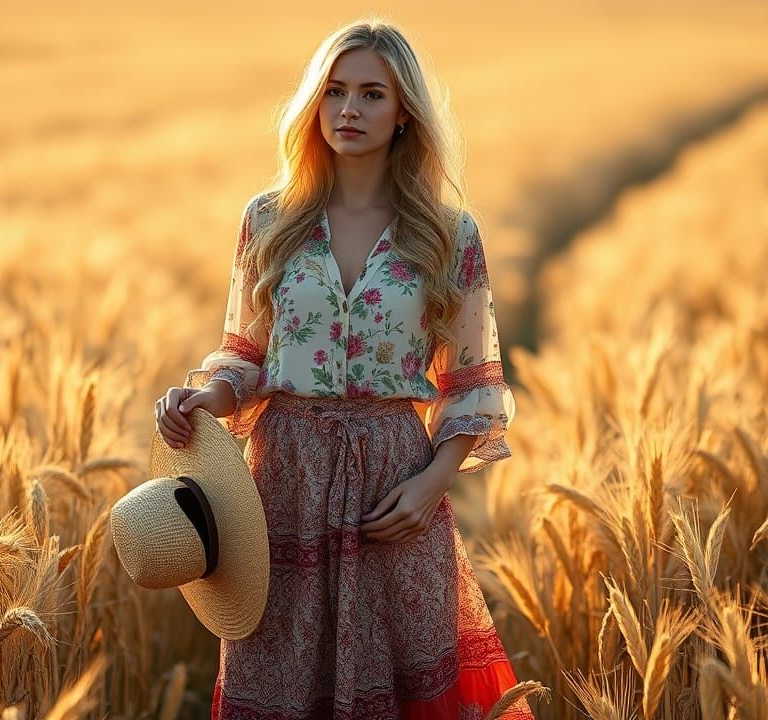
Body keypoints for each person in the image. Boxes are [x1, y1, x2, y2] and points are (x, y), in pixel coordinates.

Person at [154, 15, 532, 720]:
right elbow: (247, 354)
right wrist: (207, 398)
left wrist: (430, 486)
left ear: (403, 113)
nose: (348, 109)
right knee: (280, 679)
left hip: (394, 485)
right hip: (283, 482)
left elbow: (472, 383)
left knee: (402, 680)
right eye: (334, 91)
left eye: (371, 94)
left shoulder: (450, 234)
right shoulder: (269, 220)